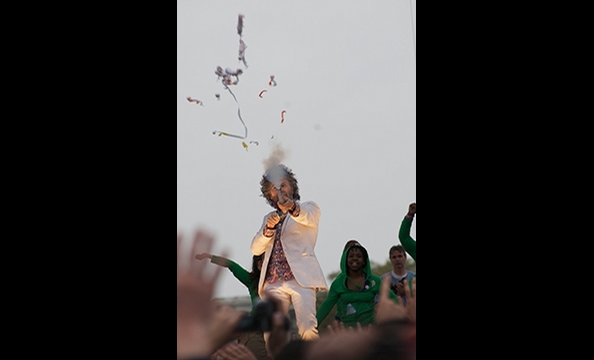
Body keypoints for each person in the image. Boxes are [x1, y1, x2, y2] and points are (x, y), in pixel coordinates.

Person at [250, 164, 327, 343]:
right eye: (274, 188)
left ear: (292, 187)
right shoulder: (268, 218)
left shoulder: (309, 207)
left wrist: (292, 208)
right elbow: (255, 249)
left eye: (283, 184)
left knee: (307, 327)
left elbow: (307, 217)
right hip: (273, 283)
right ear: (270, 195)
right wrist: (268, 228)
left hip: (301, 279)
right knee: (272, 332)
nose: (280, 190)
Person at [195, 252, 268, 360]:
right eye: (259, 262)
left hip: (274, 330)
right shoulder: (252, 281)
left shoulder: (279, 281)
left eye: (266, 261)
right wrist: (210, 257)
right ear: (257, 265)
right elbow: (232, 265)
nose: (262, 264)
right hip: (256, 330)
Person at [316, 244, 398, 329]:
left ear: (364, 261)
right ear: (346, 260)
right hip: (348, 333)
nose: (354, 258)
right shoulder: (338, 283)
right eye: (351, 256)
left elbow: (394, 299)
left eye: (359, 256)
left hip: (370, 330)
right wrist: (313, 326)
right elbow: (326, 306)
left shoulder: (374, 281)